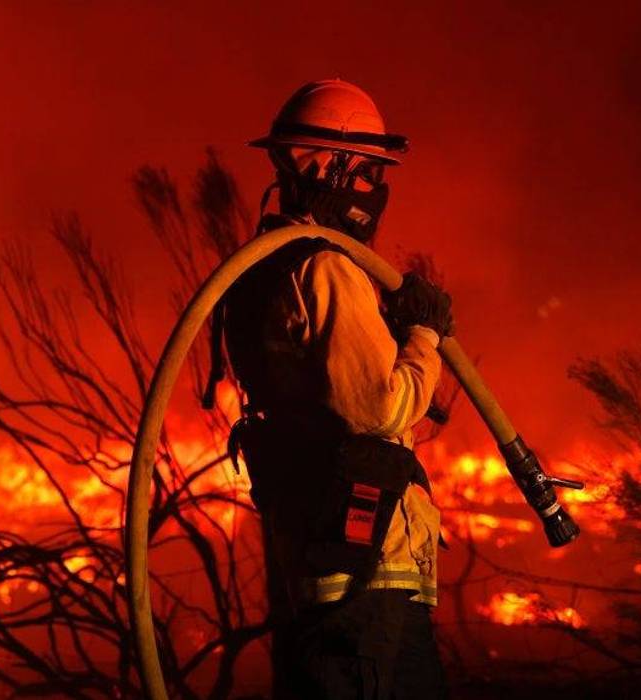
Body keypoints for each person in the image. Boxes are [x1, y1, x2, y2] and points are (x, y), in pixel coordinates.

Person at [215, 79, 453, 699]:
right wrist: (424, 338)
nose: (376, 186)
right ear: (330, 164)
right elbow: (380, 408)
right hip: (367, 586)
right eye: (369, 168)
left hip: (326, 575)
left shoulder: (267, 265)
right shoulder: (326, 267)